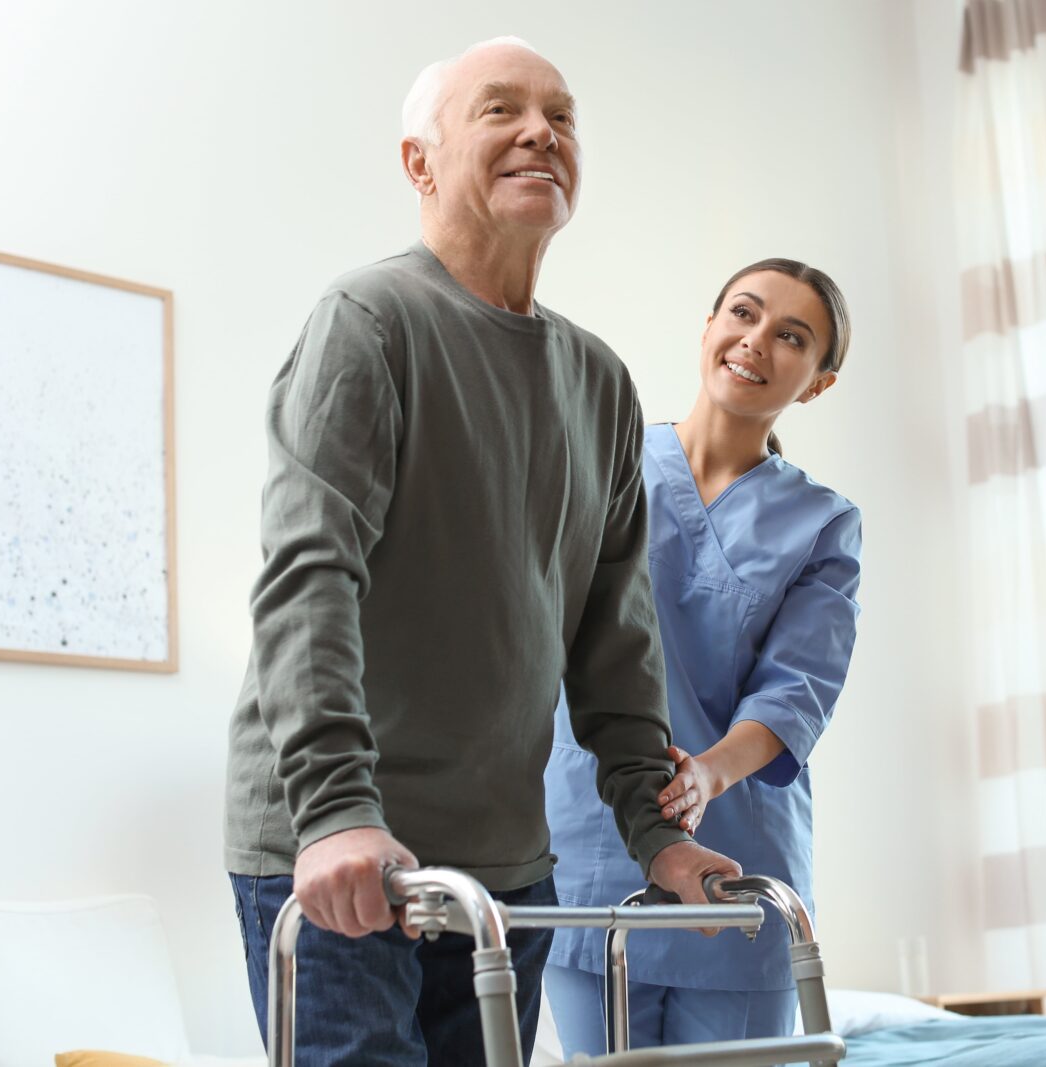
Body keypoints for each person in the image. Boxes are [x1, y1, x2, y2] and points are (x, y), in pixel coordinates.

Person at [222, 37, 739, 1066]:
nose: (541, 130)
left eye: (560, 114)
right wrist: (332, 812)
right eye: (499, 110)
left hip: (503, 865)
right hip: (340, 848)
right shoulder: (369, 321)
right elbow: (306, 578)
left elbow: (612, 634)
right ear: (420, 161)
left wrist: (656, 828)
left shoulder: (598, 380)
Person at [543, 258, 862, 1054]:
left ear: (817, 381)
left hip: (738, 854)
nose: (757, 341)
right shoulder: (602, 467)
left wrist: (707, 774)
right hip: (591, 842)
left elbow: (794, 692)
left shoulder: (824, 524)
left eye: (792, 336)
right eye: (743, 314)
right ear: (710, 327)